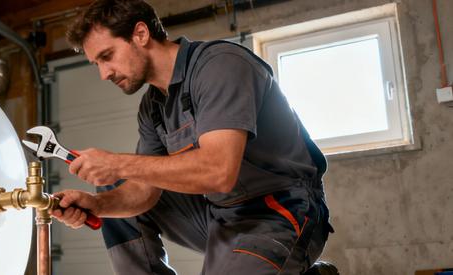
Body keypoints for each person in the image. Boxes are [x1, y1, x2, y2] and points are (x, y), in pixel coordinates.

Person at [49, 0, 334, 274]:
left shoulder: (220, 65)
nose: (103, 74)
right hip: (220, 214)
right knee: (115, 189)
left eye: (106, 56)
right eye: (95, 63)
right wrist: (97, 206)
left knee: (121, 172)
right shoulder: (153, 107)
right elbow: (143, 191)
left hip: (281, 211)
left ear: (140, 34)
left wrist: (117, 164)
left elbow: (219, 171)